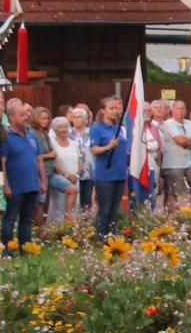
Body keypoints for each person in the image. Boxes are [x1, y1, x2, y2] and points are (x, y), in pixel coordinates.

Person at [0, 99, 44, 251]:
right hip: (14, 185)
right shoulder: (6, 136)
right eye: (21, 115)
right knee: (10, 218)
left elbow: (39, 160)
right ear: (11, 117)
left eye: (26, 114)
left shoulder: (32, 136)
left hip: (31, 184)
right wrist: (5, 184)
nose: (26, 117)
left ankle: (25, 249)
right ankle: (7, 249)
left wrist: (42, 180)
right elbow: (2, 163)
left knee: (27, 219)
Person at [89, 96, 133, 236]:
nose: (114, 111)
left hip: (120, 172)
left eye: (116, 108)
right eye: (111, 108)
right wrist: (108, 147)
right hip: (105, 173)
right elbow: (94, 149)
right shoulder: (97, 128)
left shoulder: (119, 128)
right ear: (103, 110)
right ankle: (101, 235)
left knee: (115, 207)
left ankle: (111, 234)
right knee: (105, 207)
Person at [158, 99, 191, 208]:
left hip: (189, 163)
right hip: (173, 164)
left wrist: (187, 142)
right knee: (177, 191)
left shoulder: (189, 123)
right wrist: (189, 141)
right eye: (177, 108)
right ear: (172, 110)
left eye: (183, 108)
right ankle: (175, 217)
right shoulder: (168, 124)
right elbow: (180, 141)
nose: (180, 111)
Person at [47, 117, 80, 223]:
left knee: (75, 206)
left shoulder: (74, 143)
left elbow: (79, 160)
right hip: (60, 178)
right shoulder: (52, 143)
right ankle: (58, 231)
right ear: (55, 129)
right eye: (60, 127)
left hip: (75, 179)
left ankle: (72, 229)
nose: (64, 129)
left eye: (65, 126)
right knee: (59, 206)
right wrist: (66, 175)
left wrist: (77, 174)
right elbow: (54, 162)